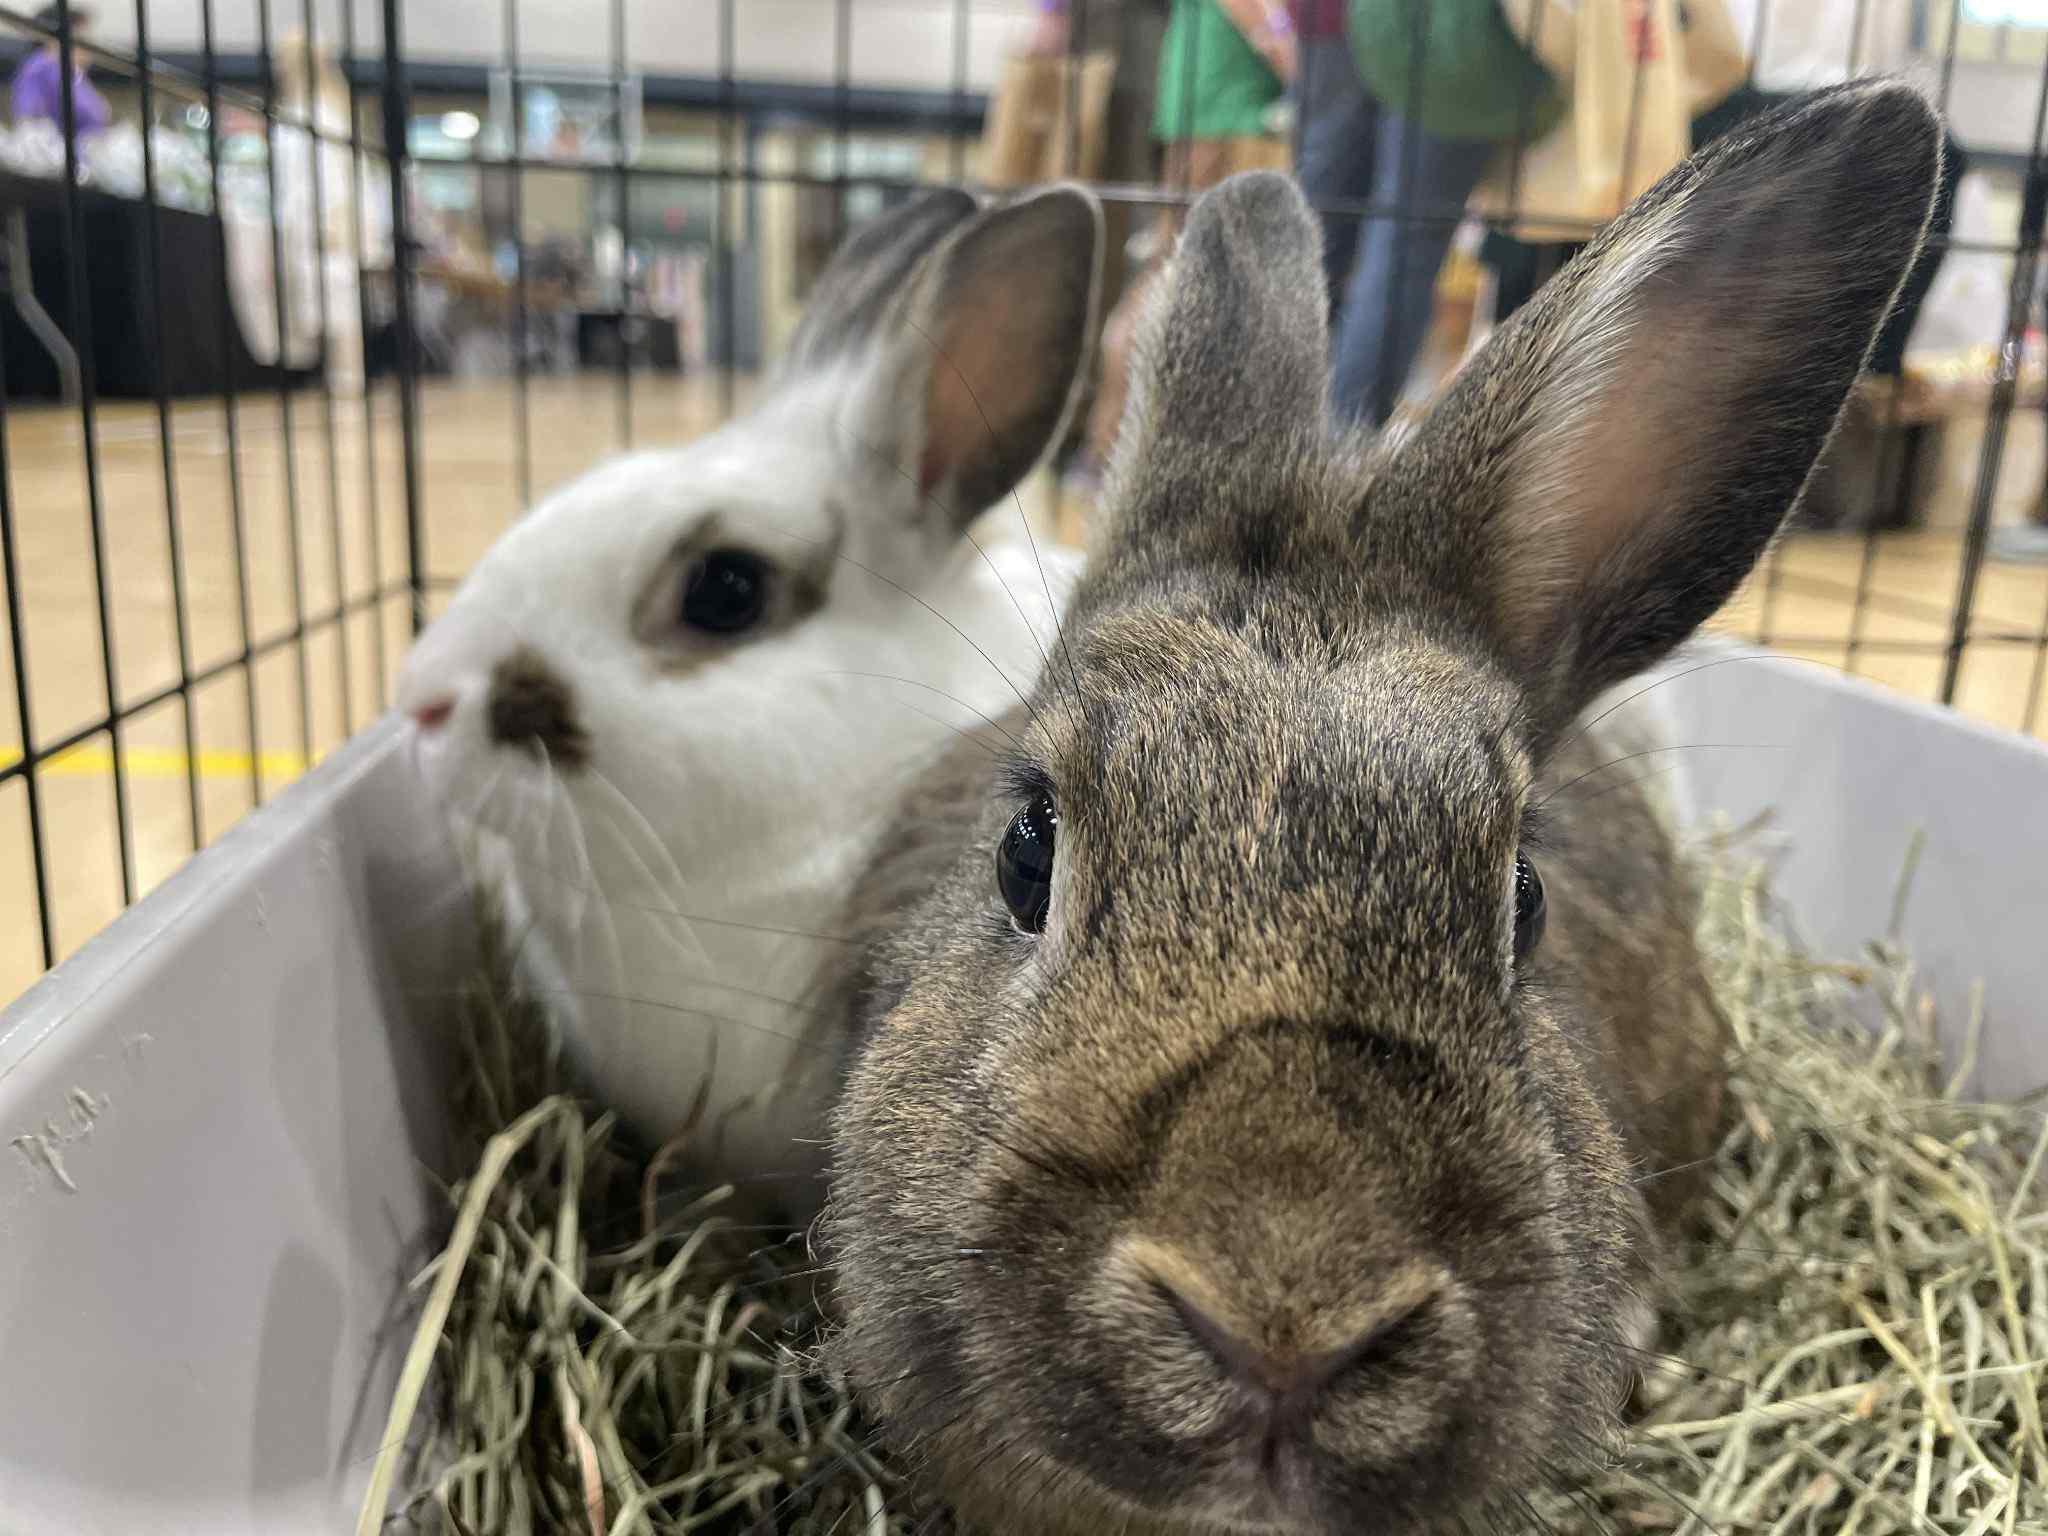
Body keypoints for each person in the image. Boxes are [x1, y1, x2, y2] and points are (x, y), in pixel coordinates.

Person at [1295, 0, 1561, 426]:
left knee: (1322, 223)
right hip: (1446, 42)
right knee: (1403, 244)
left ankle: (1286, 431)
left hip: (1337, 23)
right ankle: (1343, 444)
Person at [9, 5, 110, 141]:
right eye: (83, 40)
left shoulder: (74, 74)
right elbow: (31, 124)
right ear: (53, 40)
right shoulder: (42, 68)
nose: (90, 48)